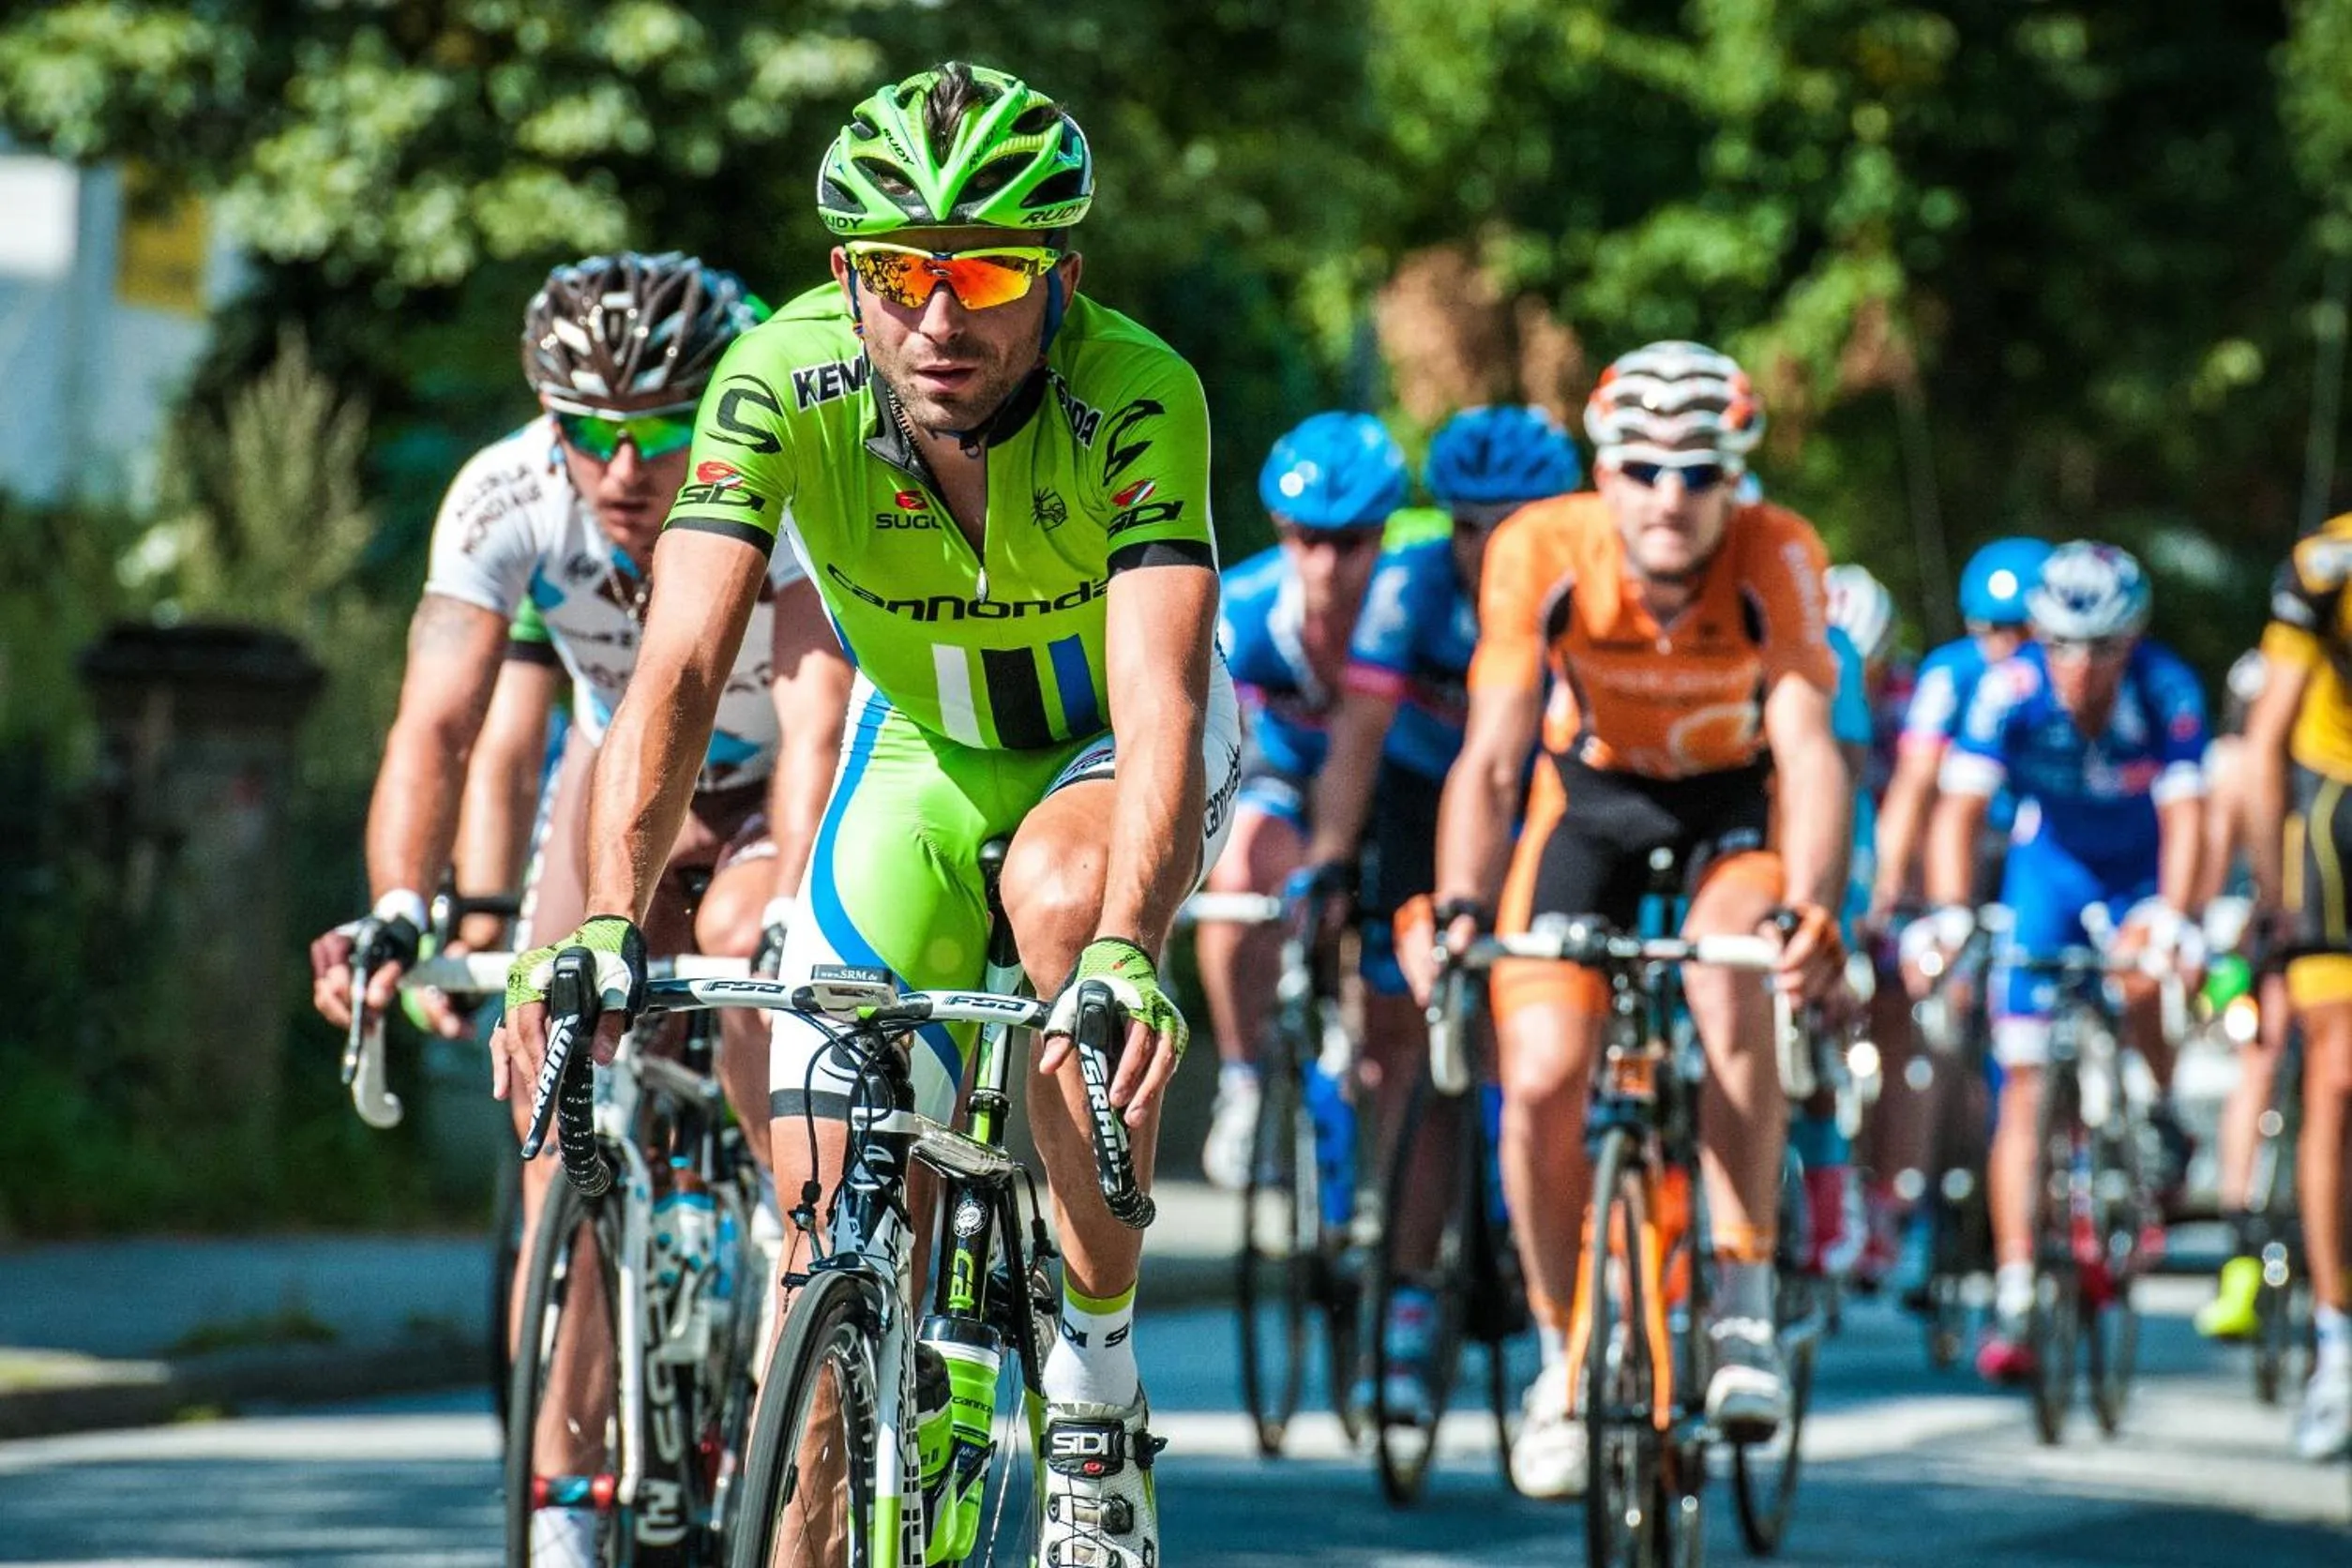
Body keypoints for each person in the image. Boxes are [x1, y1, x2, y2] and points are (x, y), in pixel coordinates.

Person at [494, 63, 1239, 1567]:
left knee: (1052, 913)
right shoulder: (777, 378)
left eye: (986, 272)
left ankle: (1091, 1401)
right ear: (850, 275)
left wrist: (1130, 946)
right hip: (927, 753)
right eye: (900, 273)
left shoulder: (1140, 392)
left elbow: (1160, 696)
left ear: (1061, 279)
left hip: (1106, 750)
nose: (940, 317)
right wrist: (596, 919)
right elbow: (686, 664)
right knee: (826, 1229)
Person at [307, 250, 852, 1565]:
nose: (627, 468)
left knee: (745, 982)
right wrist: (399, 905)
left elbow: (824, 716)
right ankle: (560, 1503)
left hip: (783, 790)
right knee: (555, 1105)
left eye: (661, 429)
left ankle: (789, 1292)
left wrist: (801, 919)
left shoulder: (779, 484)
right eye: (592, 433)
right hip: (627, 792)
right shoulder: (503, 494)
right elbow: (435, 727)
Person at [1416, 340, 1851, 1499]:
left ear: (1736, 477)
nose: (1671, 494)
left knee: (1730, 974)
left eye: (1699, 470)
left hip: (1730, 805)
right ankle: (1563, 1357)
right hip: (1591, 802)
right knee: (1547, 1072)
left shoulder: (1780, 552)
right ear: (1603, 474)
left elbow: (1809, 754)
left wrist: (1812, 906)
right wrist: (1462, 908)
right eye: (1644, 467)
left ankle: (1744, 1294)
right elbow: (1495, 753)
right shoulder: (1539, 548)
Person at [1301, 404, 1584, 1417]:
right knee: (1408, 1042)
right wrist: (1332, 860)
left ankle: (1551, 1229)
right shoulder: (1409, 583)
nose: (1483, 548)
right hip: (1426, 804)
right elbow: (1359, 732)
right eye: (1464, 523)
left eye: (1508, 523)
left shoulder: (1588, 577)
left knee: (1549, 1026)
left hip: (1555, 800)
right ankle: (1413, 1296)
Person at [1915, 542, 2207, 1384]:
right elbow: (1956, 811)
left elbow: (2191, 816)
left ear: (2134, 638)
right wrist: (1946, 914)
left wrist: (2173, 916)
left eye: (2104, 648)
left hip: (2139, 870)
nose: (2081, 667)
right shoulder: (2007, 691)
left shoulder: (2166, 687)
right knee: (2025, 1080)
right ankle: (2014, 1280)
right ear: (2038, 639)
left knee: (2144, 972)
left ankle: (2154, 1104)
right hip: (2049, 872)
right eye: (2062, 646)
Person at [1196, 412, 1408, 1190]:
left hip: (1383, 791)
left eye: (1350, 541)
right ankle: (1244, 1081)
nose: (1324, 562)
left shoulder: (1404, 605)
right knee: (1238, 873)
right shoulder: (1244, 609)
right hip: (1282, 783)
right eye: (1302, 536)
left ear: (1382, 534)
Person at [1866, 536, 2052, 1290]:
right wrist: (1887, 890)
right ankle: (1919, 1193)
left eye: (2017, 630)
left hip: (2039, 854)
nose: (2001, 646)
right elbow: (1915, 786)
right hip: (1964, 857)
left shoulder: (2062, 681)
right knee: (1944, 1008)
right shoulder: (1949, 675)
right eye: (1986, 630)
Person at [2249, 521, 2352, 1460]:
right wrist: (2268, 899)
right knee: (2339, 1073)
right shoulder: (2329, 562)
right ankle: (2336, 1338)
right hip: (2337, 821)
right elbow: (2265, 737)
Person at [2192, 650, 2295, 1344]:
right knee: (2257, 1060)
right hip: (2257, 934)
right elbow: (2208, 871)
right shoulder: (2231, 765)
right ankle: (2238, 1240)